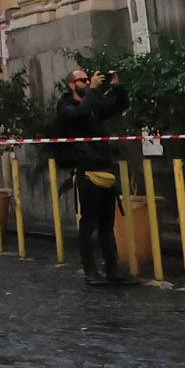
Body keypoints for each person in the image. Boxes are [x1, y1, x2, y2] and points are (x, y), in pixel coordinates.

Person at [54, 60, 131, 286]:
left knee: (107, 225)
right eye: (82, 80)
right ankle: (90, 271)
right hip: (86, 172)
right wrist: (93, 91)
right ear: (71, 84)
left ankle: (113, 270)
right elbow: (79, 115)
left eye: (88, 79)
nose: (87, 82)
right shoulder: (66, 107)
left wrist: (117, 87)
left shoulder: (92, 105)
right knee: (88, 224)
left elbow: (118, 107)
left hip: (104, 168)